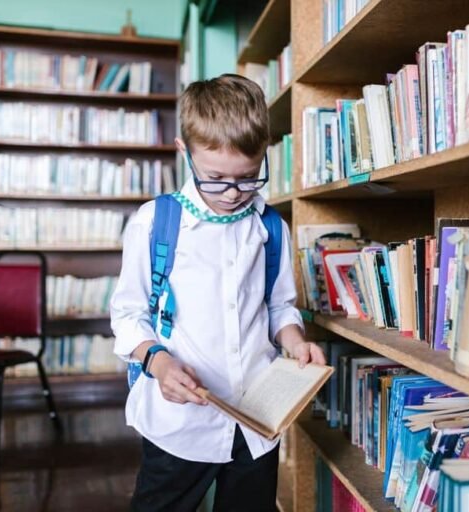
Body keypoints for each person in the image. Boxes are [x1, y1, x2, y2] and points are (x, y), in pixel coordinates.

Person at [110, 73, 326, 512]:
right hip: (180, 424)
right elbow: (128, 315)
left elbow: (279, 306)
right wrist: (159, 360)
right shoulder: (155, 222)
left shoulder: (270, 228)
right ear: (183, 151)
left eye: (248, 178)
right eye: (216, 178)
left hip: (256, 423)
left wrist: (295, 341)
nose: (232, 193)